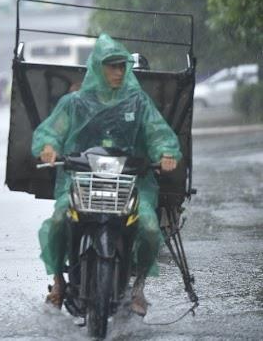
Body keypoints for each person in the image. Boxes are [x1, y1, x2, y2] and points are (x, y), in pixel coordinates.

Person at [32, 33, 181, 316]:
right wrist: (48, 148)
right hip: (81, 180)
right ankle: (59, 281)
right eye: (112, 66)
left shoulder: (138, 101)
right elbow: (51, 130)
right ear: (97, 67)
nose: (118, 72)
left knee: (149, 228)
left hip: (130, 183)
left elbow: (158, 132)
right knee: (58, 221)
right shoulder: (75, 103)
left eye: (122, 66)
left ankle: (138, 287)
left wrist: (166, 153)